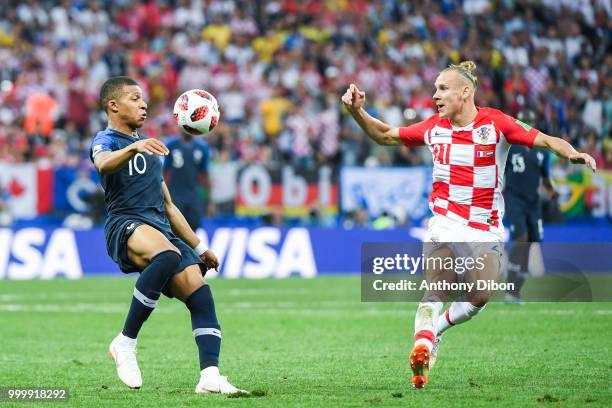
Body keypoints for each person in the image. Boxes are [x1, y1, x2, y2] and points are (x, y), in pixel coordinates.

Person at [341, 61, 596, 389]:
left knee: (480, 295)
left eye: (442, 89)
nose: (435, 96)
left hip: (484, 226)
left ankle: (435, 332)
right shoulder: (434, 127)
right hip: (444, 222)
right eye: (435, 89)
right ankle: (421, 344)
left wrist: (572, 153)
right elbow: (385, 135)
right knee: (438, 285)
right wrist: (357, 112)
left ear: (466, 92)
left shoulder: (497, 124)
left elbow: (546, 140)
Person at [90, 76, 244, 394]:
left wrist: (200, 247)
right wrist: (134, 147)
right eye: (134, 98)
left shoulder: (151, 148)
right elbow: (103, 165)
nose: (143, 104)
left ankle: (210, 376)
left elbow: (169, 206)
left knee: (199, 292)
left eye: (144, 99)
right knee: (166, 255)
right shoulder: (106, 140)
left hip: (160, 229)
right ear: (113, 105)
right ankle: (125, 343)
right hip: (125, 225)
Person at [503, 110, 558, 302]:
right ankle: (510, 287)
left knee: (529, 244)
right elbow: (500, 172)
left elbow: (545, 177)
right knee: (521, 239)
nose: (527, 125)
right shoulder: (510, 148)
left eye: (530, 121)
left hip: (533, 202)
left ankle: (515, 291)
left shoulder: (541, 151)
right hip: (513, 199)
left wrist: (551, 190)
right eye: (524, 122)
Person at [163, 129, 210, 231]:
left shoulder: (202, 147)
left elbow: (205, 174)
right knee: (175, 230)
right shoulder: (170, 145)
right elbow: (164, 172)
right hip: (175, 196)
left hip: (193, 197)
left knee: (194, 227)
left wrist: (209, 200)